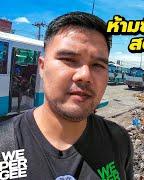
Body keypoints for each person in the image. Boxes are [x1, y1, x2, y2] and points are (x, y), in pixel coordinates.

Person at [0, 12, 133, 179]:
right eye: (69, 60)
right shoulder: (5, 144)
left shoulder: (119, 141)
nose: (84, 75)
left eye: (97, 65)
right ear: (42, 67)